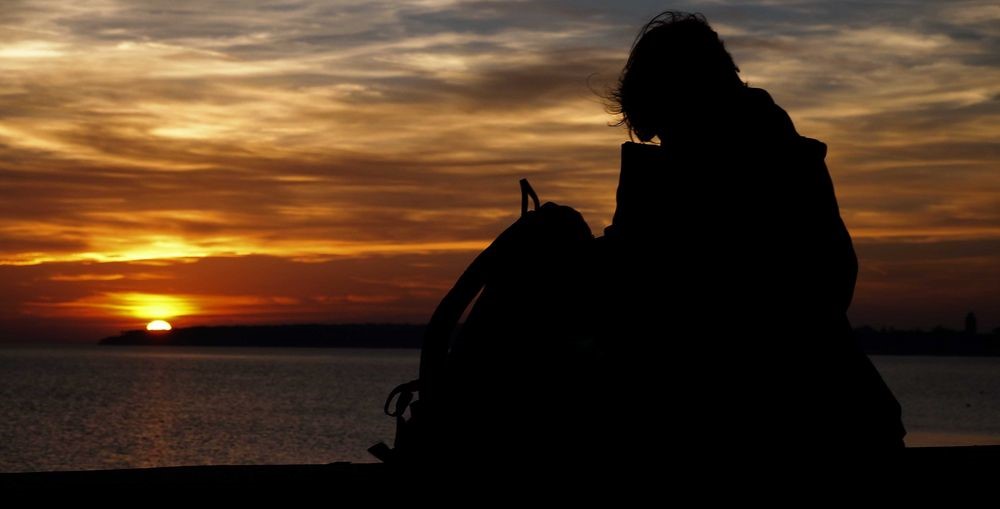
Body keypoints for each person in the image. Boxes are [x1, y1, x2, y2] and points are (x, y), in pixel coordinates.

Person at [595, 11, 905, 455]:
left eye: (665, 130)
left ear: (682, 101)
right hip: (842, 417)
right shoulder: (778, 152)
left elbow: (662, 293)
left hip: (795, 426)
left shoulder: (738, 168)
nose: (663, 143)